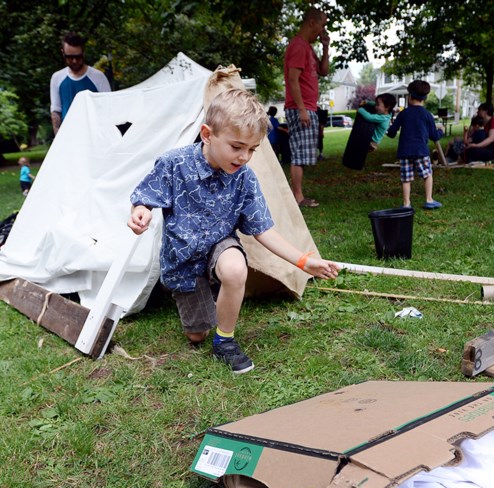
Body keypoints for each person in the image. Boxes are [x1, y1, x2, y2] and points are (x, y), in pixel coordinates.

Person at [128, 88, 340, 374]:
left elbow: (263, 231)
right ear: (207, 134)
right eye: (237, 147)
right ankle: (206, 303)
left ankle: (225, 339)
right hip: (183, 259)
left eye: (252, 149)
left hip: (220, 244)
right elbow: (145, 197)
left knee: (235, 269)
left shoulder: (245, 179)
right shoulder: (173, 163)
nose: (244, 157)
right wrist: (140, 211)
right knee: (196, 335)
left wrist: (304, 261)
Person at [284, 7, 329, 208]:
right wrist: (302, 109)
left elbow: (324, 71)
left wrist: (326, 47)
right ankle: (298, 198)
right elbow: (293, 80)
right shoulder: (298, 46)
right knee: (299, 154)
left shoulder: (308, 48)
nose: (322, 30)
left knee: (302, 154)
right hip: (299, 108)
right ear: (312, 22)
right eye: (322, 25)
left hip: (308, 107)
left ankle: (298, 195)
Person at [385, 80, 444, 210]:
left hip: (405, 152)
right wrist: (441, 131)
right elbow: (434, 136)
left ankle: (406, 204)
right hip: (421, 151)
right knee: (427, 174)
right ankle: (429, 199)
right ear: (425, 99)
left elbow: (391, 133)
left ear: (410, 97)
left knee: (406, 178)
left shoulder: (403, 114)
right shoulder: (427, 115)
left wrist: (386, 128)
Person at [50, 32, 111, 135]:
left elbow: (109, 108)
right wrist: (58, 140)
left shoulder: (98, 77)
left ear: (83, 53)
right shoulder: (57, 78)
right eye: (69, 57)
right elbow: (56, 111)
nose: (74, 61)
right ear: (63, 53)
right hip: (69, 137)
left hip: (96, 135)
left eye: (78, 57)